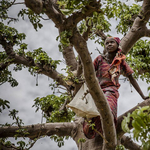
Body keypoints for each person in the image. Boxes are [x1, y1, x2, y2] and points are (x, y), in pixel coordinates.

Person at [83, 37, 149, 139]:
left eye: (112, 42)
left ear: (117, 45)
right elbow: (88, 73)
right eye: (107, 43)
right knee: (92, 114)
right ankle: (95, 132)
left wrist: (143, 96)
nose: (109, 44)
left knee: (108, 109)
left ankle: (107, 133)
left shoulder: (120, 61)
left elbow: (131, 78)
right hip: (96, 90)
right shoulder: (100, 59)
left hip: (111, 90)